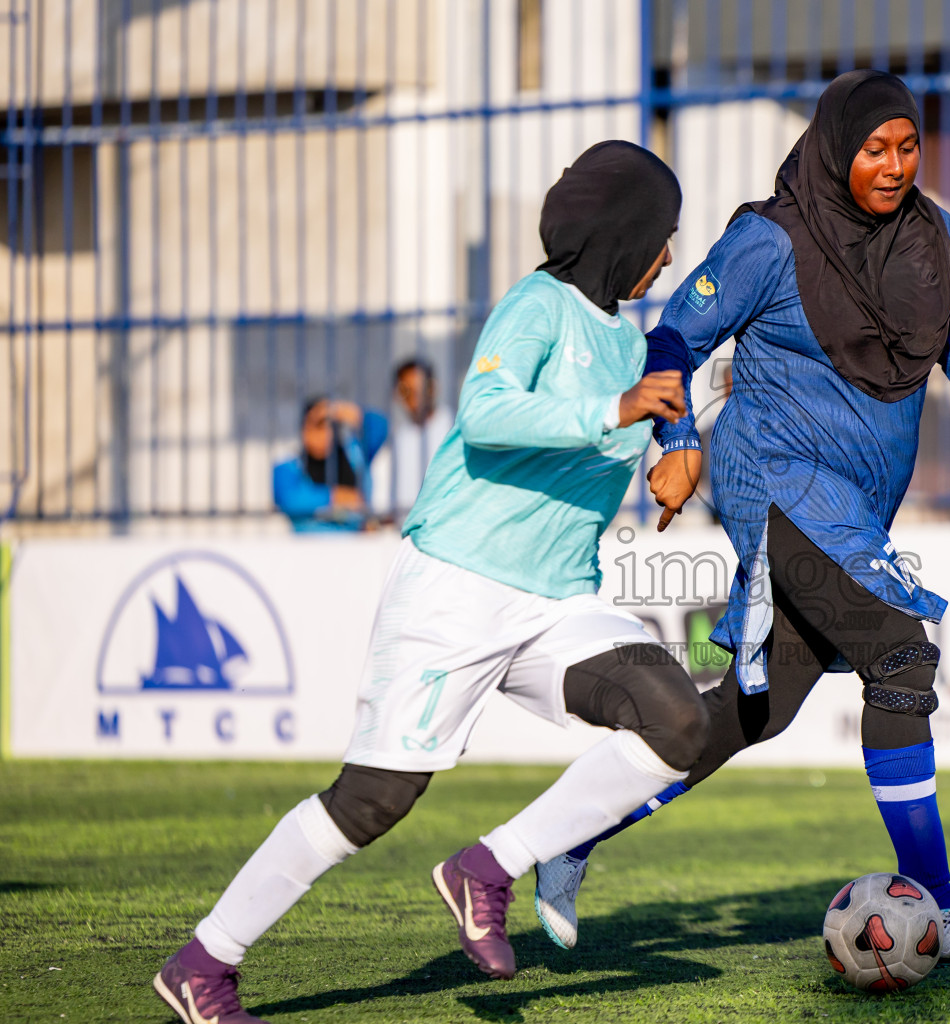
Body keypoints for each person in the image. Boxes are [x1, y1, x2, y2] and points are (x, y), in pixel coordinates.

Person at [531, 70, 950, 966]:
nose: (894, 166)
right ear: (834, 148)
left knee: (752, 714)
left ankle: (566, 836)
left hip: (854, 509)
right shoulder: (769, 240)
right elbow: (672, 339)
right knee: (900, 655)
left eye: (908, 146)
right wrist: (677, 442)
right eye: (874, 149)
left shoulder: (931, 236)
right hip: (774, 481)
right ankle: (940, 906)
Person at [154, 141, 705, 1024]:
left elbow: (635, 422)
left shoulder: (627, 342)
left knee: (678, 721)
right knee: (373, 800)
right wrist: (618, 409)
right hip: (457, 583)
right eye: (662, 235)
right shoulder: (537, 305)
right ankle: (203, 962)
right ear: (623, 230)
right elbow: (486, 416)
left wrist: (675, 451)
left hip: (558, 599)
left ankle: (488, 867)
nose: (668, 256)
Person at [272, 397, 389, 531]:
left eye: (332, 425)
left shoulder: (354, 456)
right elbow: (289, 501)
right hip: (312, 542)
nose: (327, 432)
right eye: (319, 425)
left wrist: (346, 412)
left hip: (356, 541)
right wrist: (333, 497)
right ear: (304, 431)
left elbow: (381, 428)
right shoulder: (289, 467)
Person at [374, 358, 455, 518]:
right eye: (406, 391)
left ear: (432, 388)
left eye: (419, 389)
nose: (413, 398)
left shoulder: (453, 428)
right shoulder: (398, 438)